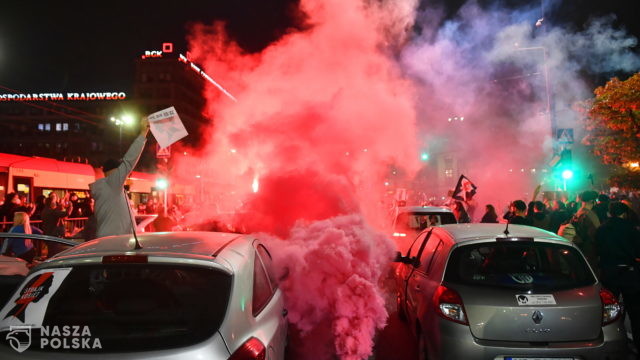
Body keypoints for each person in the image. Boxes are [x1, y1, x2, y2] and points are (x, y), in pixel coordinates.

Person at [90, 117, 149, 238]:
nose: (125, 175)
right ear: (115, 171)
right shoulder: (112, 184)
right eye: (120, 170)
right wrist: (143, 133)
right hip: (114, 242)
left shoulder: (107, 189)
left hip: (112, 240)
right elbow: (129, 161)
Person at [595, 201, 640, 354]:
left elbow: (597, 249)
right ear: (624, 213)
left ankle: (609, 338)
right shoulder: (631, 229)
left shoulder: (602, 229)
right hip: (628, 271)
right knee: (635, 309)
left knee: (609, 309)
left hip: (609, 272)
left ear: (610, 213)